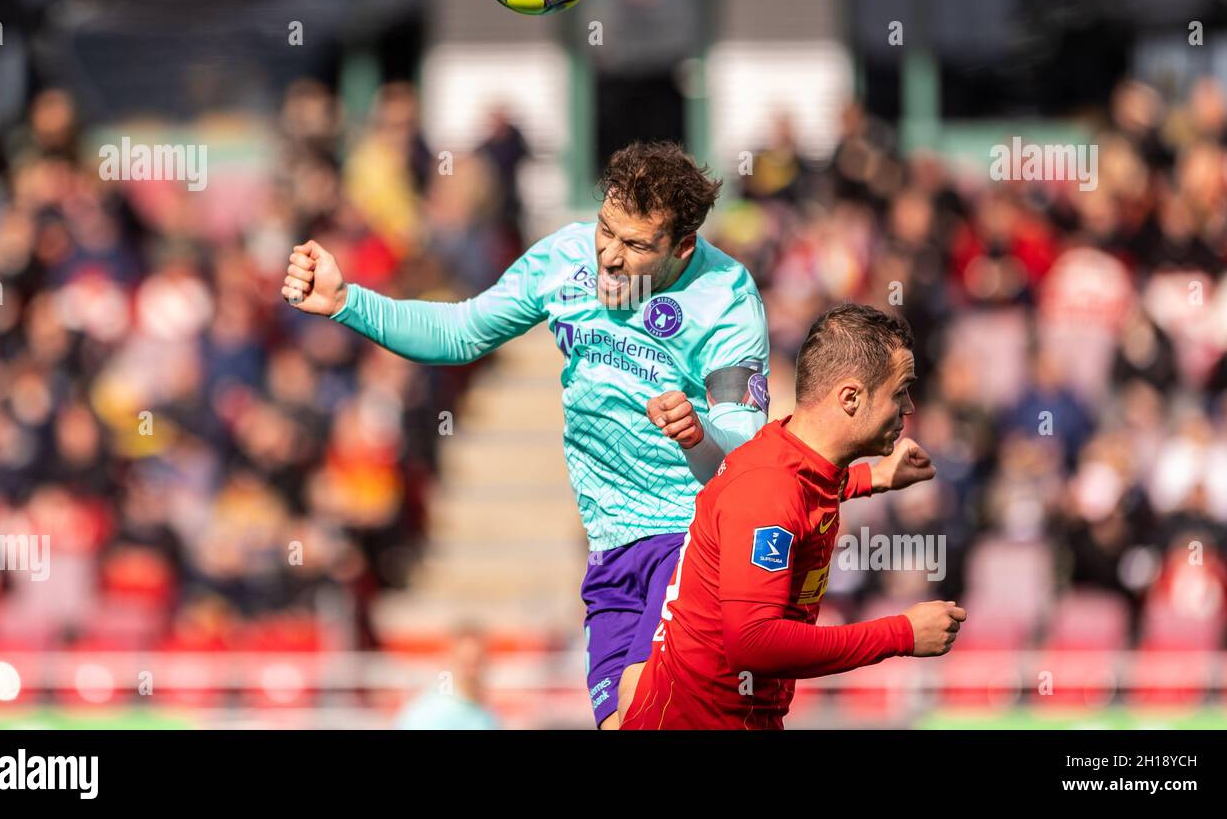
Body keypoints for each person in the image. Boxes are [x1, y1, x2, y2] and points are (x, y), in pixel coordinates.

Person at [283, 140, 896, 728]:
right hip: (608, 547)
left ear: (683, 246)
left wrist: (696, 431)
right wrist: (346, 302)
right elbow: (461, 331)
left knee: (643, 709)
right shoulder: (564, 261)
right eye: (606, 229)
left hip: (690, 537)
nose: (608, 256)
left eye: (634, 244)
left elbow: (739, 454)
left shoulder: (726, 299)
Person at [622, 302, 967, 730]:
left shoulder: (794, 461)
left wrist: (873, 478)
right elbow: (754, 643)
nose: (910, 407)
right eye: (900, 392)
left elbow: (808, 493)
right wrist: (902, 634)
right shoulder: (769, 488)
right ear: (851, 398)